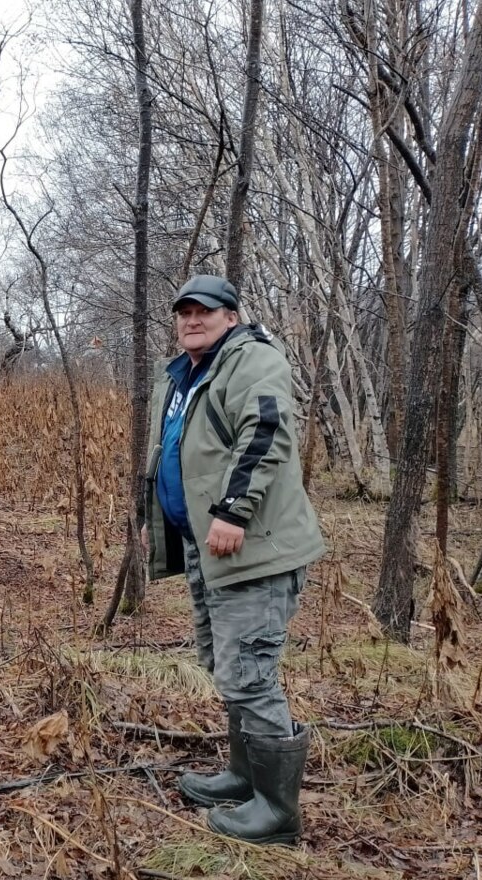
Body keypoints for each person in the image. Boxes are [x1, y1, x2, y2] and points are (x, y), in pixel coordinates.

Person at [142, 274, 326, 845]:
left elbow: (266, 430)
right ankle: (244, 777)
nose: (192, 320)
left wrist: (233, 509)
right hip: (208, 548)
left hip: (252, 546)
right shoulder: (186, 374)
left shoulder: (252, 359)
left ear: (230, 315)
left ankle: (277, 810)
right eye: (184, 312)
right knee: (228, 666)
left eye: (205, 311)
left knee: (248, 671)